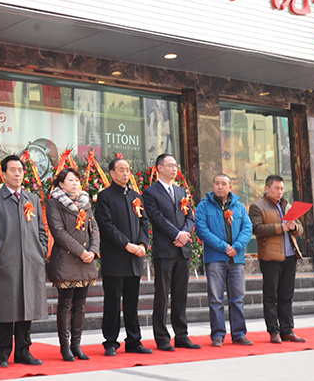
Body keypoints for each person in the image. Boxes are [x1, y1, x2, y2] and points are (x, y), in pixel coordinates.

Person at [0, 155, 48, 368]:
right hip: (6, 261)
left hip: (31, 261)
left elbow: (41, 230)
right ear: (3, 173)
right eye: (13, 170)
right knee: (5, 308)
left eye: (20, 170)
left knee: (27, 307)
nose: (17, 174)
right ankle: (1, 353)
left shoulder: (31, 199)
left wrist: (41, 250)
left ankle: (23, 351)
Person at [142, 154, 201, 352]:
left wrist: (185, 234)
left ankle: (181, 335)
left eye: (176, 165)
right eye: (170, 165)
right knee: (162, 294)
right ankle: (161, 337)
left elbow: (190, 217)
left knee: (180, 294)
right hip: (165, 250)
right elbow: (156, 218)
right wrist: (177, 234)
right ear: (159, 168)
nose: (175, 169)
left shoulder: (181, 191)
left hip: (182, 249)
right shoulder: (151, 192)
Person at [93, 157, 152, 356]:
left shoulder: (136, 196)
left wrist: (142, 244)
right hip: (115, 258)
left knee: (132, 303)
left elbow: (144, 222)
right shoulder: (105, 197)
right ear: (111, 173)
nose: (126, 173)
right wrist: (127, 245)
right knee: (112, 302)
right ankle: (110, 342)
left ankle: (134, 341)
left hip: (134, 258)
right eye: (121, 169)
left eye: (128, 169)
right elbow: (106, 226)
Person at [45, 168, 99, 361]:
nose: (75, 183)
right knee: (65, 304)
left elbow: (94, 228)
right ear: (61, 184)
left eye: (77, 180)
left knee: (81, 305)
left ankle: (77, 344)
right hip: (66, 260)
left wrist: (93, 250)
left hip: (86, 260)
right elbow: (58, 232)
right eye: (70, 180)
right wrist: (81, 252)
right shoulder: (54, 203)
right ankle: (65, 346)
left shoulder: (85, 202)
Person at [194, 173, 254, 347]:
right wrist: (224, 247)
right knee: (215, 299)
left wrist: (237, 247)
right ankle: (218, 335)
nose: (220, 187)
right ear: (212, 186)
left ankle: (239, 334)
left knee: (238, 298)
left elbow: (247, 228)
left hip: (236, 259)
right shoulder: (204, 206)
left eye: (224, 184)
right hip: (215, 258)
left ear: (230, 187)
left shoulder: (239, 207)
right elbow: (202, 230)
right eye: (217, 183)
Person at [249, 175, 306, 344]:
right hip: (270, 257)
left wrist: (294, 227)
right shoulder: (257, 207)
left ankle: (287, 330)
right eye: (276, 188)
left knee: (286, 295)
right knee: (271, 296)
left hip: (290, 256)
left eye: (282, 188)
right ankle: (273, 331)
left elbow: (300, 228)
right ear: (267, 188)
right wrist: (281, 227)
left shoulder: (287, 206)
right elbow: (257, 229)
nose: (280, 192)